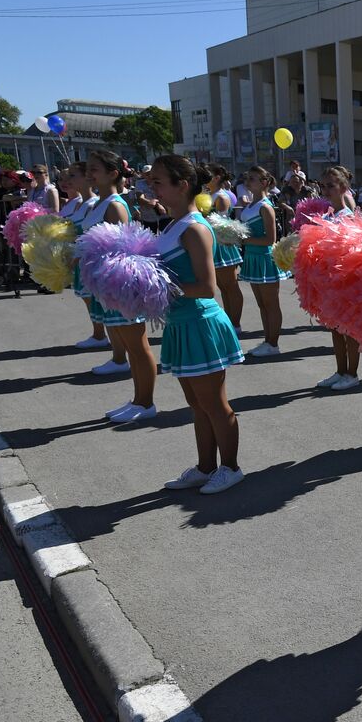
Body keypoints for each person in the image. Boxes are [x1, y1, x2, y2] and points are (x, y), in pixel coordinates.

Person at [148, 157, 246, 495]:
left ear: (182, 185)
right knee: (196, 404)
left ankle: (230, 468)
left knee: (214, 404)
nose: (152, 187)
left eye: (159, 181)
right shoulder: (172, 224)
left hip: (200, 323)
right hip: (180, 323)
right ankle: (205, 467)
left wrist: (155, 285)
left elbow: (207, 287)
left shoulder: (194, 228)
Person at [82, 151, 159, 421]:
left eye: (95, 169)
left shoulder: (115, 205)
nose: (90, 173)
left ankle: (146, 403)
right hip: (106, 285)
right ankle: (137, 399)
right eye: (89, 169)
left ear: (113, 173)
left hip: (120, 284)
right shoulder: (97, 204)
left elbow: (124, 251)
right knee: (128, 344)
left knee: (138, 347)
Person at [315, 167, 362, 391]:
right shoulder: (326, 216)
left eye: (331, 186)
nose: (325, 191)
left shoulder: (347, 217)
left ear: (344, 188)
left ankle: (352, 374)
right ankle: (340, 370)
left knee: (349, 329)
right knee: (334, 328)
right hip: (328, 280)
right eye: (322, 186)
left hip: (345, 280)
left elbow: (354, 251)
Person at [57, 162, 109, 351]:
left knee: (95, 300)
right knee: (88, 299)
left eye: (73, 175)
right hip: (79, 258)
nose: (68, 180)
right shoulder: (80, 203)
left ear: (87, 178)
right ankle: (98, 333)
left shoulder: (93, 203)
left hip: (87, 259)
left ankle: (102, 335)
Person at [237, 166, 285, 357]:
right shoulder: (249, 205)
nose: (248, 182)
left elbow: (270, 239)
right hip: (252, 257)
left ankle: (273, 344)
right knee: (262, 304)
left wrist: (243, 240)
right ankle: (267, 341)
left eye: (253, 179)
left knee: (271, 303)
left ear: (264, 183)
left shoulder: (265, 207)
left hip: (265, 258)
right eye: (247, 178)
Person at [204, 166, 245, 330]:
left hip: (223, 245)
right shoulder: (208, 195)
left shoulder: (221, 197)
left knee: (231, 286)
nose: (206, 178)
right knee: (223, 287)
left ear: (217, 177)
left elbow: (222, 224)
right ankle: (229, 320)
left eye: (209, 175)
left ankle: (235, 323)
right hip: (214, 244)